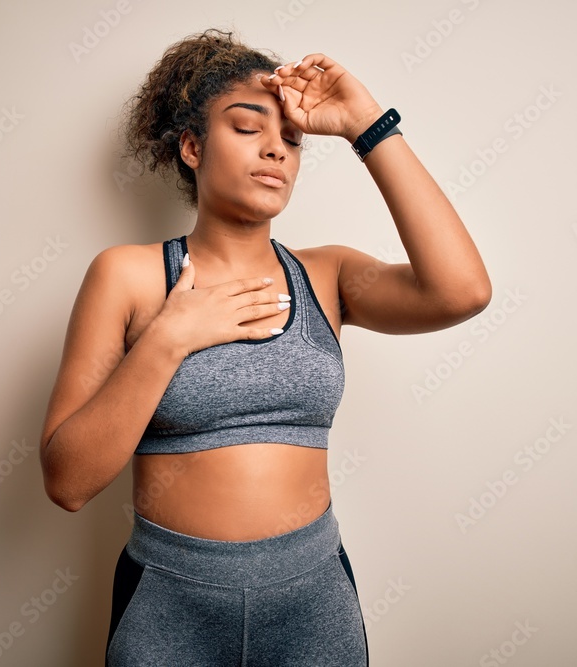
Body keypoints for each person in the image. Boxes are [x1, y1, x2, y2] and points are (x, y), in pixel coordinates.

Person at [39, 28, 492, 666]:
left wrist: (367, 123)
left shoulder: (327, 276)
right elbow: (68, 480)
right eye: (248, 128)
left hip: (313, 603)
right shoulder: (128, 276)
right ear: (192, 147)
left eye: (292, 139)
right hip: (170, 603)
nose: (275, 150)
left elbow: (462, 291)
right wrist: (171, 337)